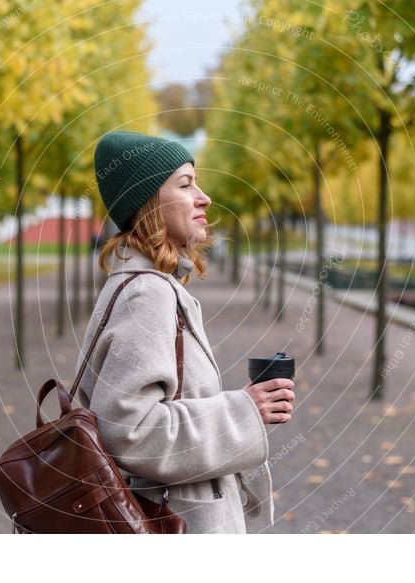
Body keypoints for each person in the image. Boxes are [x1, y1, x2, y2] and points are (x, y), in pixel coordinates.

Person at [73, 130, 295, 534]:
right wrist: (246, 409)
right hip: (175, 523)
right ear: (149, 203)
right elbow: (129, 431)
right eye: (185, 184)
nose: (203, 197)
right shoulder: (147, 293)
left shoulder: (150, 284)